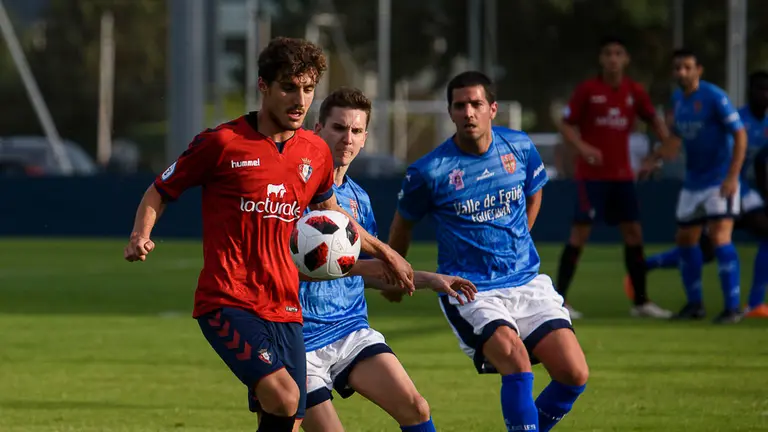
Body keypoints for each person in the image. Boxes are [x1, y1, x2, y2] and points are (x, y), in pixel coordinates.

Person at [123, 37, 414, 432]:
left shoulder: (315, 152)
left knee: (286, 416)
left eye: (308, 89)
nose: (300, 99)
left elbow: (334, 215)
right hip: (228, 299)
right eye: (289, 87)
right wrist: (141, 234)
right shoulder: (222, 143)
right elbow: (161, 189)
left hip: (285, 305)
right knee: (286, 395)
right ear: (263, 86)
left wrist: (385, 252)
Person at [386, 71, 588, 432]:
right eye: (460, 105)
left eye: (476, 104)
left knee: (574, 373)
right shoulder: (429, 171)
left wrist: (522, 230)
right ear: (450, 112)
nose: (468, 112)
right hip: (471, 288)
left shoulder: (520, 147)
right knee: (516, 359)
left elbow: (534, 189)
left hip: (527, 281)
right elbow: (402, 226)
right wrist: (394, 276)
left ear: (492, 109)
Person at [299, 87, 477, 432]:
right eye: (338, 128)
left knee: (416, 408)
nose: (346, 139)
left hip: (350, 330)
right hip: (298, 338)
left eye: (355, 131)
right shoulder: (294, 190)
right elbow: (291, 268)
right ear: (318, 130)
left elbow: (371, 272)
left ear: (365, 138)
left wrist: (430, 280)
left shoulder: (359, 200)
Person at [630, 71, 768, 318]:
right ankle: (648, 269)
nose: (764, 94)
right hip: (720, 184)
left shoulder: (764, 123)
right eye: (759, 89)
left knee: (719, 242)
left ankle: (751, 304)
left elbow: (760, 162)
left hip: (740, 189)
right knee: (702, 248)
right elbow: (689, 139)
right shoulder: (739, 119)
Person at [555, 36, 673, 319]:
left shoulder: (634, 91)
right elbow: (566, 124)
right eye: (607, 53)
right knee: (579, 234)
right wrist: (583, 148)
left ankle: (641, 302)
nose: (613, 59)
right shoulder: (587, 90)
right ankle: (559, 302)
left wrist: (656, 155)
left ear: (626, 59)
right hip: (591, 177)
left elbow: (658, 125)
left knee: (634, 233)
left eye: (618, 53)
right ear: (601, 59)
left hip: (622, 177)